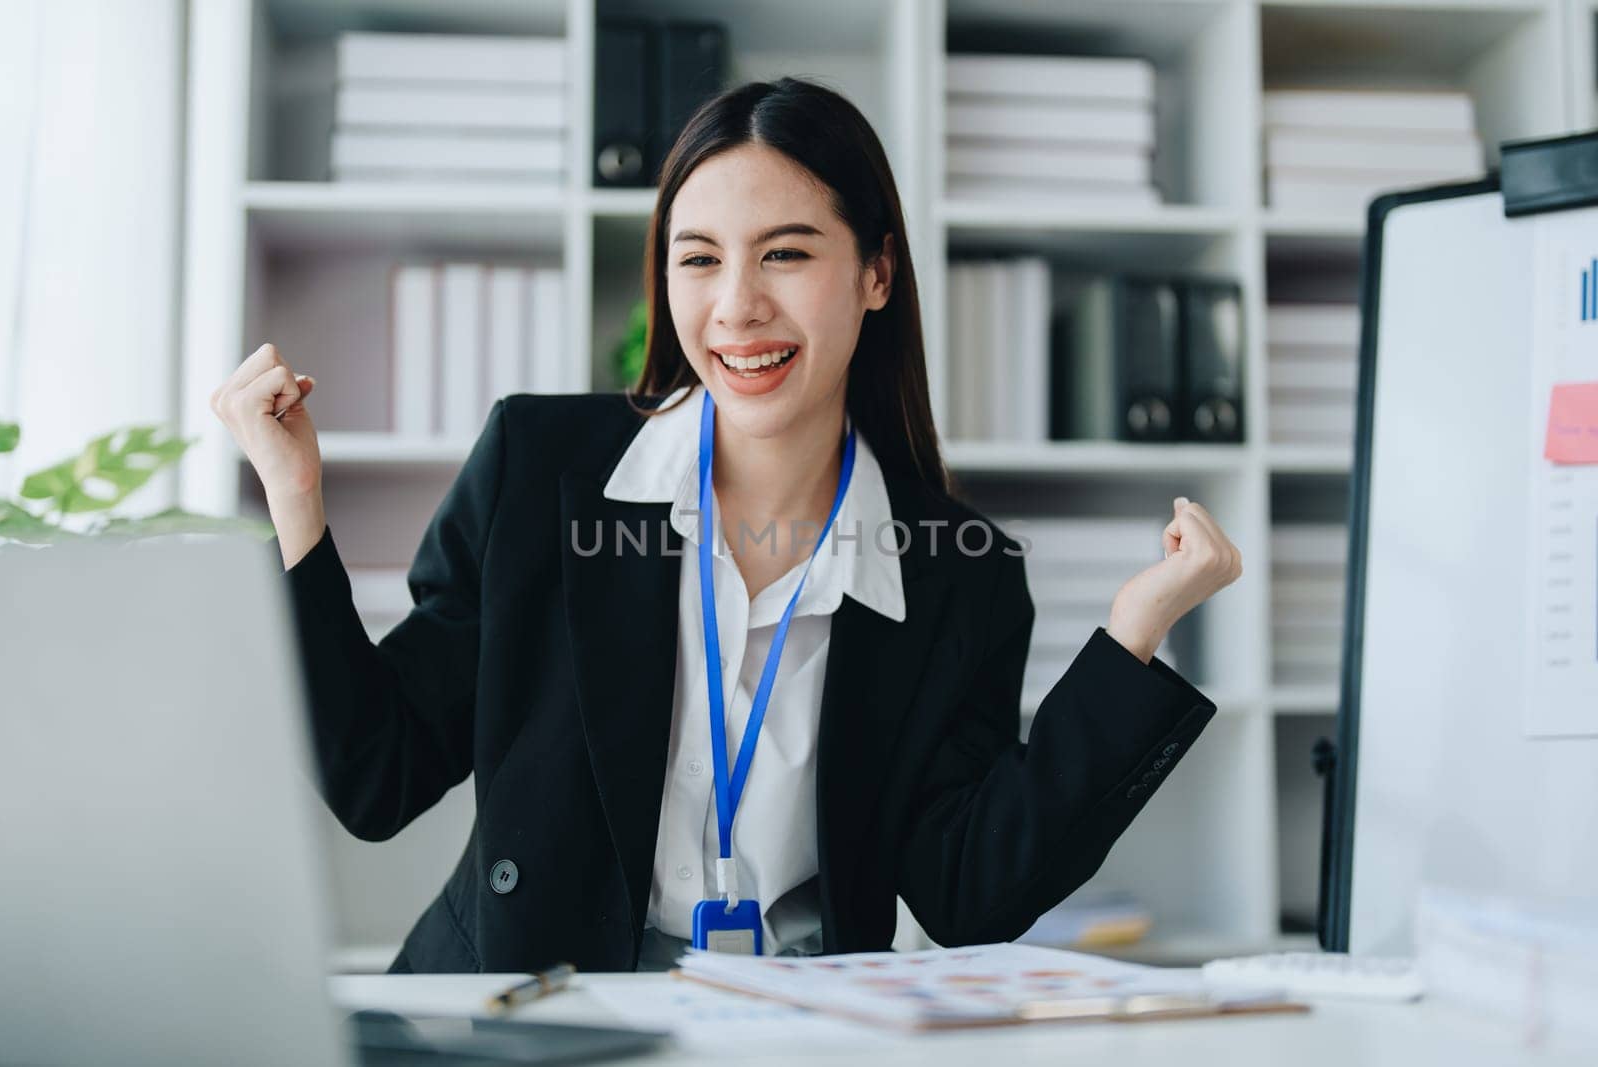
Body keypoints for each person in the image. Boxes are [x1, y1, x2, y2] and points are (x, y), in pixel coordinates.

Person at [209, 77, 1242, 973]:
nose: (735, 307)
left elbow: (968, 888)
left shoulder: (957, 574)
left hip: (789, 1023)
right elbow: (376, 774)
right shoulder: (539, 469)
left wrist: (1131, 639)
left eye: (785, 254)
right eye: (698, 259)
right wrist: (295, 499)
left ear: (876, 274)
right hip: (535, 1012)